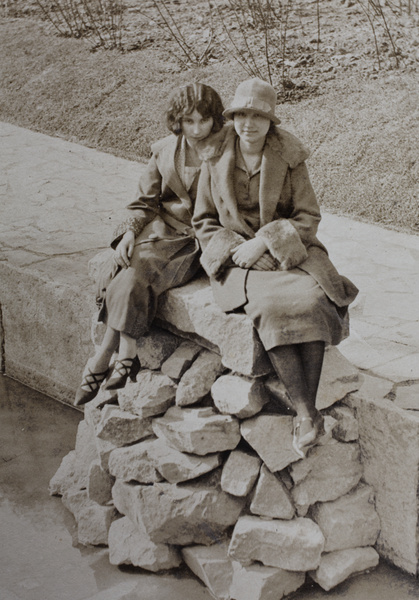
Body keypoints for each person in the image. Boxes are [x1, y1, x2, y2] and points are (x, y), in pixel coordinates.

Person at [192, 78, 358, 458]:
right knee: (268, 308)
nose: (248, 124)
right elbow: (203, 220)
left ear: (271, 121)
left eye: (258, 117)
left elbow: (307, 215)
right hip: (238, 259)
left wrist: (266, 242)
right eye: (241, 115)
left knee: (314, 300)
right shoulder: (214, 156)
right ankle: (305, 412)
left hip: (288, 252)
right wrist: (238, 250)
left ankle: (305, 414)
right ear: (232, 118)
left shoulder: (289, 156)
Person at [74, 82, 225, 406]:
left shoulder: (228, 148)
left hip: (198, 238)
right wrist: (128, 233)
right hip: (161, 230)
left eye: (204, 120)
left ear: (215, 118)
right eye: (189, 121)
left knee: (138, 271)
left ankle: (106, 357)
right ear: (178, 121)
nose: (197, 129)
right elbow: (144, 201)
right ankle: (120, 356)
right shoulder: (164, 150)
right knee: (126, 265)